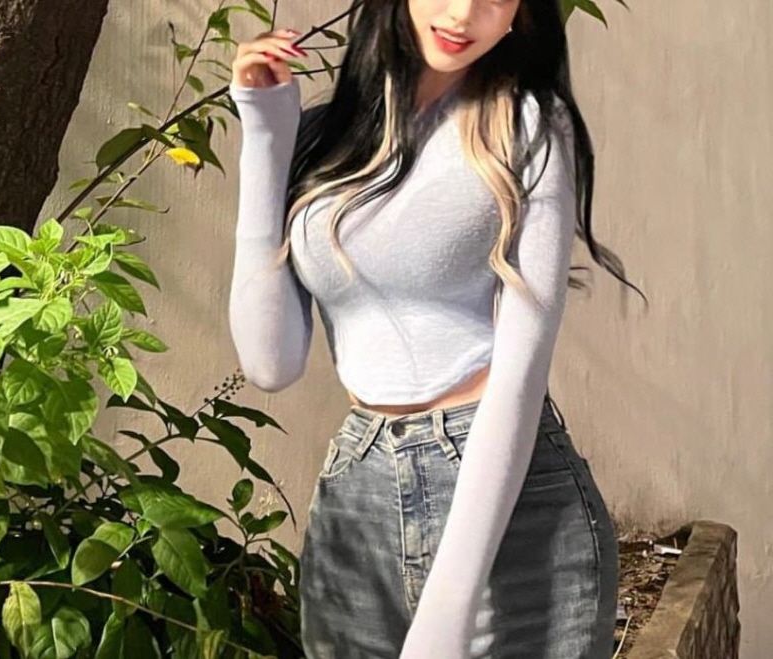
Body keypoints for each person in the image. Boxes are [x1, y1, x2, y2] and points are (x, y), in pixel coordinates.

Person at [227, 0, 645, 657]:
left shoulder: (527, 127)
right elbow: (269, 360)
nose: (463, 13)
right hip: (359, 486)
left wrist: (446, 615)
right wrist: (265, 133)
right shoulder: (323, 140)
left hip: (506, 495)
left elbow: (519, 378)